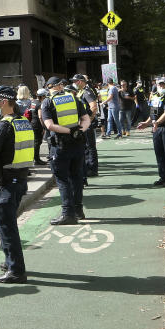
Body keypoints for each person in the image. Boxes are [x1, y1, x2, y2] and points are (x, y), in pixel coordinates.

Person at [0, 85, 33, 284]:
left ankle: (16, 270)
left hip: (5, 182)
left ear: (4, 102)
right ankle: (9, 261)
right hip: (20, 179)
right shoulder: (23, 121)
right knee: (9, 225)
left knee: (7, 228)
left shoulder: (3, 125)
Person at [41, 77, 92, 224]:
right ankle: (78, 210)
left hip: (61, 146)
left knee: (63, 180)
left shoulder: (48, 102)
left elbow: (49, 126)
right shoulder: (73, 98)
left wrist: (68, 132)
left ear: (50, 87)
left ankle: (67, 214)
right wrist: (78, 131)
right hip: (77, 144)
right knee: (76, 178)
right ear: (61, 86)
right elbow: (86, 119)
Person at [135, 78, 165, 187]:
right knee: (159, 153)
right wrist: (146, 123)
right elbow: (153, 114)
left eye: (163, 85)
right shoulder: (155, 96)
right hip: (157, 128)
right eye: (160, 85)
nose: (161, 87)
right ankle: (163, 176)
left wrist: (157, 122)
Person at [71, 75, 99, 177]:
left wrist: (88, 121)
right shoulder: (80, 91)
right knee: (86, 146)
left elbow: (93, 107)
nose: (74, 83)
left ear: (81, 81)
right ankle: (88, 167)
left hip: (86, 124)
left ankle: (92, 168)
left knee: (90, 146)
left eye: (76, 81)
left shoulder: (87, 91)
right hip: (82, 123)